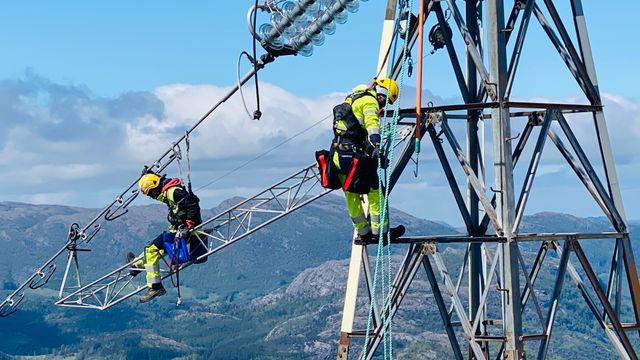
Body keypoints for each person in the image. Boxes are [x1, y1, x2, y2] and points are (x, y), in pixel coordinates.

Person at [331, 77, 405, 245]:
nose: (383, 107)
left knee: (351, 195)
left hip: (338, 156)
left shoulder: (351, 99)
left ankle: (363, 233)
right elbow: (372, 125)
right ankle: (381, 232)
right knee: (375, 191)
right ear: (381, 95)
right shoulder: (369, 102)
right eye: (385, 102)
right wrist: (377, 146)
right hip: (354, 157)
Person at [127, 172, 203, 303]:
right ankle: (137, 264)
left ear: (156, 187)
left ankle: (155, 286)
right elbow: (160, 187)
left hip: (185, 231)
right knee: (152, 249)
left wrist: (189, 225)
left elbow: (192, 203)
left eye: (151, 193)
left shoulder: (173, 192)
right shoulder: (167, 190)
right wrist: (150, 176)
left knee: (151, 249)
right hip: (181, 230)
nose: (152, 196)